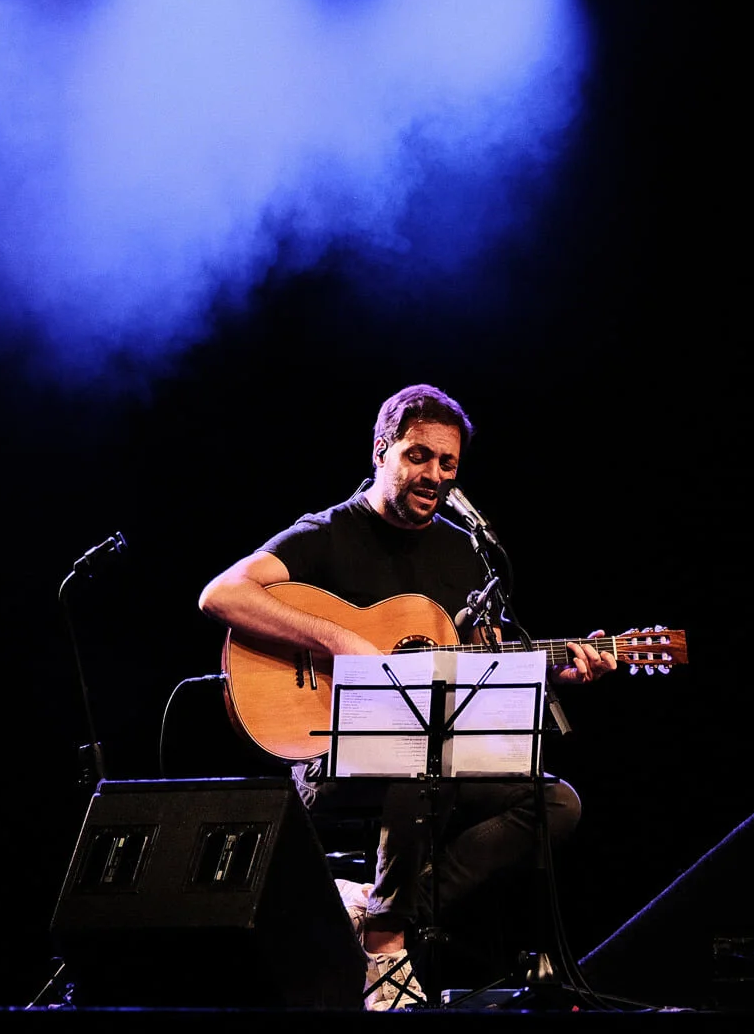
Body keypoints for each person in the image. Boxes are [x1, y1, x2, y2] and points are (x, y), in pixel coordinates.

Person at [198, 384, 617, 1009]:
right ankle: (387, 948)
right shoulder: (328, 534)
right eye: (418, 456)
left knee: (554, 802)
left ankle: (375, 905)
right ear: (381, 450)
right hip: (329, 759)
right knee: (419, 761)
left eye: (447, 464)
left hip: (428, 762)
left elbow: (484, 671)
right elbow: (220, 595)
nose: (434, 475)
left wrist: (557, 671)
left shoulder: (465, 550)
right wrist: (339, 638)